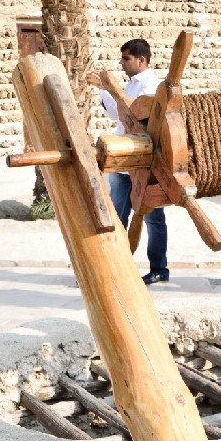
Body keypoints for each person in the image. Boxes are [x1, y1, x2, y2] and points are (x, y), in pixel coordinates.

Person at [86, 38, 169, 285]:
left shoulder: (153, 86)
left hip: (145, 162)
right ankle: (115, 268)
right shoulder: (131, 84)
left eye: (126, 58)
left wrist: (109, 88)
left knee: (153, 217)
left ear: (141, 60)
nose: (121, 63)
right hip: (123, 160)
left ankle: (159, 268)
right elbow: (117, 114)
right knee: (116, 215)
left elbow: (135, 116)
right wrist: (104, 89)